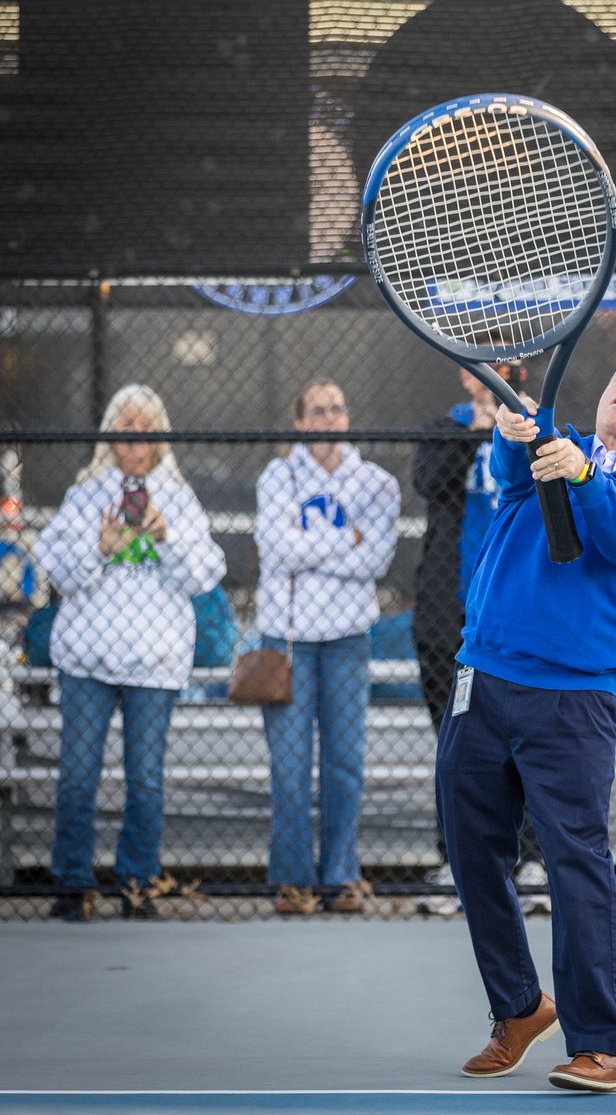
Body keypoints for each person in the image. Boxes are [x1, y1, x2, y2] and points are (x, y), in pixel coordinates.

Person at [436, 348, 616, 1094]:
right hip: (481, 681)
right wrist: (513, 430)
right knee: (470, 852)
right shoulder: (561, 448)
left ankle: (601, 1046)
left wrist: (580, 475)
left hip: (572, 705)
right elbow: (512, 475)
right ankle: (518, 1009)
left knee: (576, 863)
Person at [34, 384, 226, 922]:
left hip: (154, 659)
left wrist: (164, 537)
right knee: (77, 774)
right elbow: (58, 570)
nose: (136, 437)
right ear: (111, 438)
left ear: (159, 435)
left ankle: (137, 881)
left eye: (146, 427)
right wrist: (99, 549)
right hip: (88, 656)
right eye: (126, 428)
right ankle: (73, 884)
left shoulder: (178, 496)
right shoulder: (86, 494)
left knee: (145, 778)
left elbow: (205, 573)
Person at [255, 378, 400, 915]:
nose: (328, 419)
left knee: (345, 763)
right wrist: (348, 540)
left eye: (337, 409)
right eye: (316, 410)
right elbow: (275, 546)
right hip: (289, 638)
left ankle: (340, 875)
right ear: (299, 422)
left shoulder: (377, 483)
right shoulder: (278, 475)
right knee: (290, 766)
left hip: (347, 638)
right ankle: (293, 880)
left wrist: (311, 548)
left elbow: (377, 560)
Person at [412, 362, 548, 916]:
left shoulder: (541, 426)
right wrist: (476, 432)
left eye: (505, 366)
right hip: (454, 616)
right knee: (459, 747)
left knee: (529, 743)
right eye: (481, 367)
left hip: (519, 617)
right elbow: (430, 483)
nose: (494, 375)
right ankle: (460, 862)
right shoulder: (444, 428)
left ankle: (534, 860)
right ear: (465, 377)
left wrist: (519, 427)